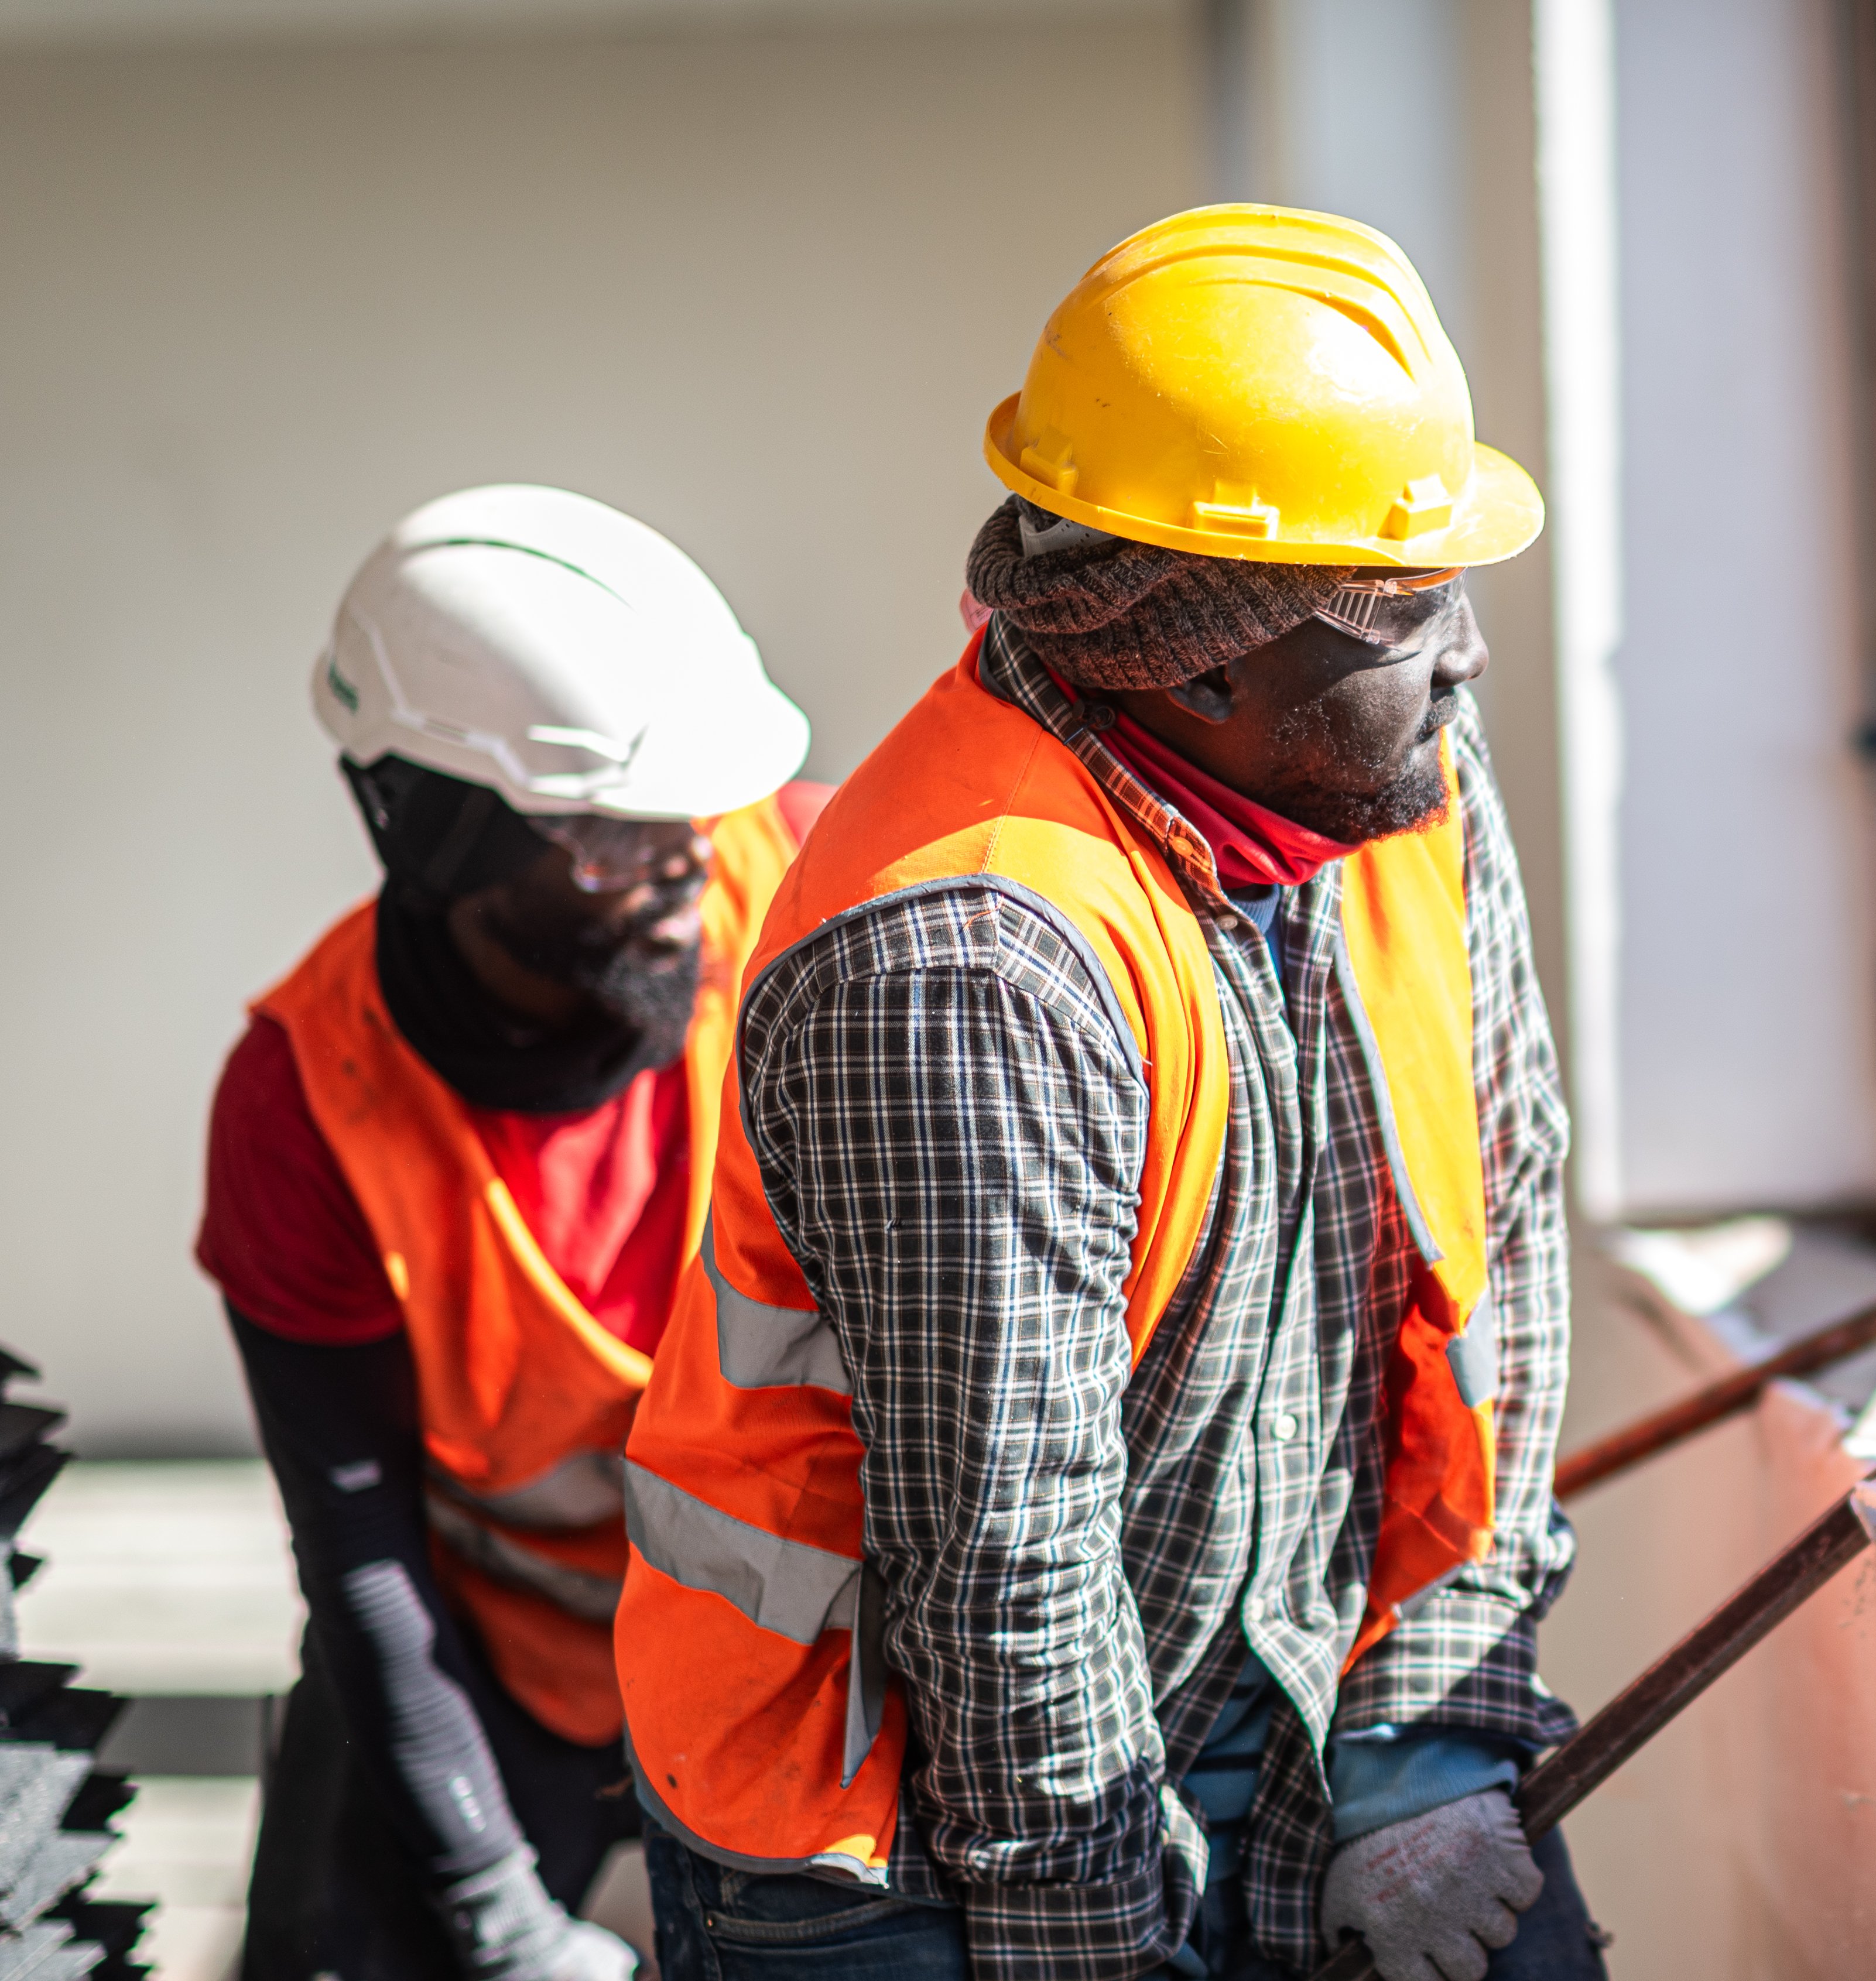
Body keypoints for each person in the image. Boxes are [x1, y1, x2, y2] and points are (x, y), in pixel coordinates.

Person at [618, 205, 1607, 1981]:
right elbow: (1006, 1562)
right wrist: (1096, 1947)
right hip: (907, 1819)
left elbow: (1506, 1224)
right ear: (1206, 656)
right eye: (1402, 607)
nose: (1464, 655)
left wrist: (1424, 1738)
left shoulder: (1389, 782)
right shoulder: (973, 957)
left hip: (1274, 1683)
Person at [198, 486, 823, 1981]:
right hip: (489, 1656)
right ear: (433, 832)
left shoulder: (805, 899)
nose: (679, 868)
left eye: (687, 814)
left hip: (796, 1659)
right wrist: (488, 1903)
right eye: (603, 837)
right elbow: (357, 1551)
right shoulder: (307, 1100)